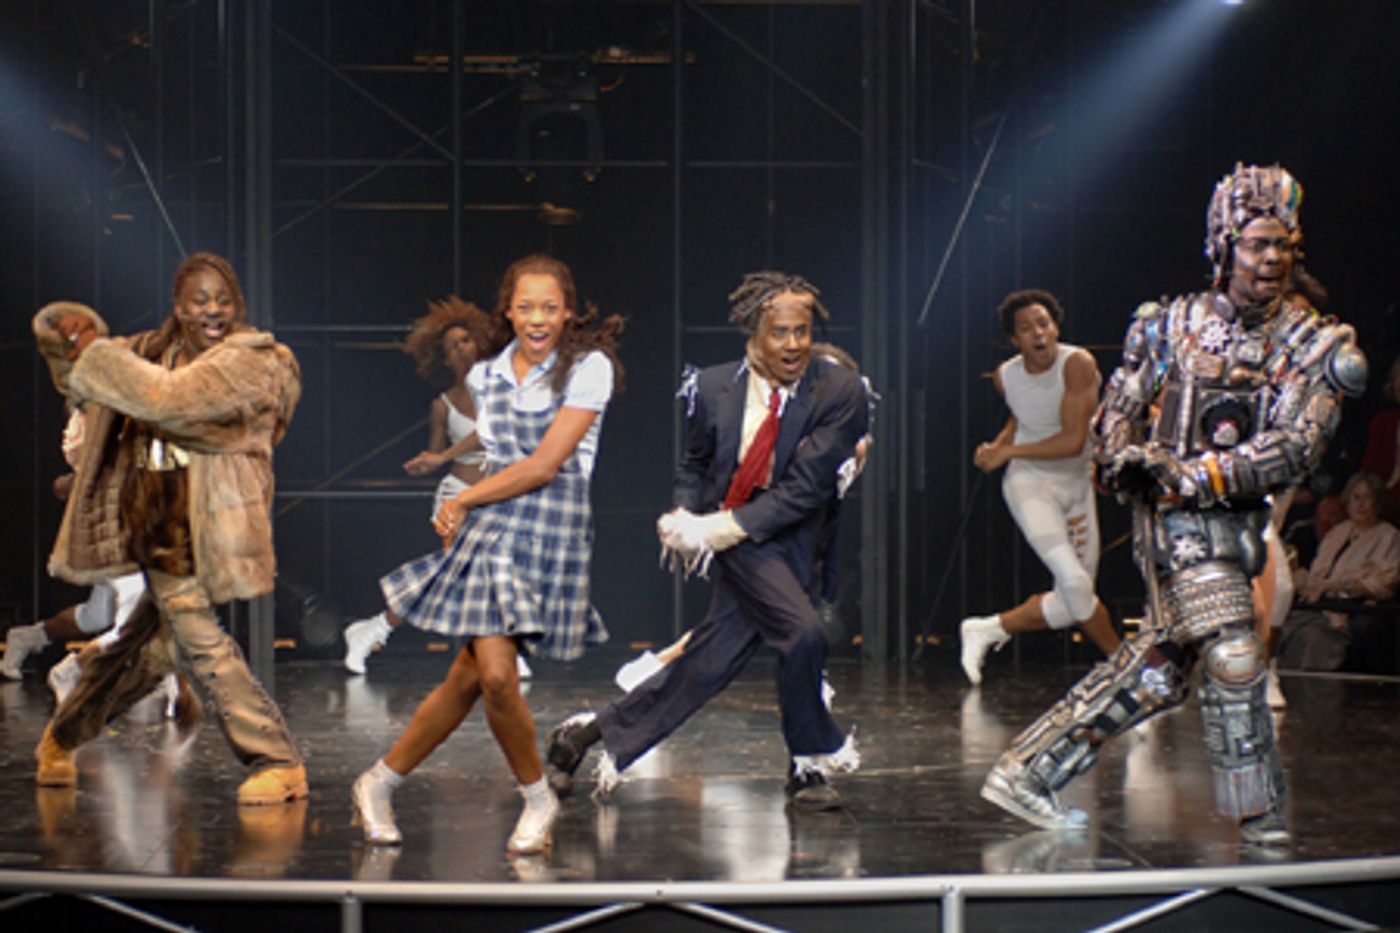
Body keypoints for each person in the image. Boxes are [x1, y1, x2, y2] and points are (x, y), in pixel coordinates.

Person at [980, 164, 1366, 847]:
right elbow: (1119, 407)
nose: (1272, 258)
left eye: (1282, 244)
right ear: (1224, 245)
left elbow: (1296, 447)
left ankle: (1028, 769)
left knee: (1159, 668)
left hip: (1231, 516)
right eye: (1257, 244)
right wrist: (1123, 457)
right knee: (1234, 654)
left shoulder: (1316, 346)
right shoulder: (1172, 324)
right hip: (1174, 524)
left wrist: (1193, 473)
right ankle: (1261, 820)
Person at [544, 271, 868, 810]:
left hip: (792, 540)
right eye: (781, 333)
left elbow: (803, 490)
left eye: (803, 331)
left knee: (709, 663)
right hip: (745, 547)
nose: (793, 345)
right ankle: (807, 766)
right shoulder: (715, 387)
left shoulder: (840, 390)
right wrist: (683, 514)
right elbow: (695, 464)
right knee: (805, 634)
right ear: (755, 332)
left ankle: (582, 736)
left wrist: (708, 531)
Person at [349, 254, 623, 855]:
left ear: (568, 312)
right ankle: (537, 798)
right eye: (526, 307)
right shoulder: (487, 376)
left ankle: (378, 782)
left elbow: (545, 465)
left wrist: (463, 498)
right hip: (494, 527)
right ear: (508, 311)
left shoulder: (590, 369)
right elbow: (494, 460)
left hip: (553, 528)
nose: (538, 318)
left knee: (467, 681)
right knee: (497, 675)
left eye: (550, 307)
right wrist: (460, 513)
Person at [31, 251, 308, 805]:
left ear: (238, 305)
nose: (213, 310)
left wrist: (97, 353)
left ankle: (276, 761)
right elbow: (83, 386)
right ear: (179, 308)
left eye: (223, 300)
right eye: (199, 301)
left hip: (212, 528)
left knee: (178, 644)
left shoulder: (255, 361)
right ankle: (62, 739)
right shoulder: (151, 352)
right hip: (153, 524)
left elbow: (170, 400)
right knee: (163, 643)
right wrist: (67, 335)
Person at [612, 341, 874, 698]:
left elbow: (828, 479)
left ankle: (656, 670)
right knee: (742, 623)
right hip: (760, 537)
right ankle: (655, 674)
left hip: (805, 540)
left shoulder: (846, 436)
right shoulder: (777, 420)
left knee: (741, 623)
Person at [341, 296, 515, 675]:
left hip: (495, 496)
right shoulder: (442, 405)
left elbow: (491, 434)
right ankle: (501, 653)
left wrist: (442, 456)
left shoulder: (499, 388)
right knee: (471, 572)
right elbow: (438, 455)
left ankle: (375, 628)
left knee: (464, 575)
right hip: (457, 495)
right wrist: (427, 463)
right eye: (452, 346)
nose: (461, 349)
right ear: (444, 359)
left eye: (466, 340)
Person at [959, 289, 1121, 685]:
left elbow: (1072, 441)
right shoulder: (1005, 376)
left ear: (1056, 328)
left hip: (1076, 483)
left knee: (1072, 603)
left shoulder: (1077, 364)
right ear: (1015, 339)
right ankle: (1125, 666)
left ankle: (987, 628)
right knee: (1075, 585)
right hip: (1030, 484)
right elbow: (1021, 416)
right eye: (1027, 328)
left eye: (1044, 324)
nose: (1038, 333)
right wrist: (997, 447)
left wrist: (1007, 450)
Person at [1276, 472, 1400, 671]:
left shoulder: (1390, 536)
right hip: (1317, 606)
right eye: (1355, 497)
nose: (1360, 504)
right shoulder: (1338, 531)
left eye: (1367, 498)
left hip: (1351, 612)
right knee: (1279, 628)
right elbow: (1317, 574)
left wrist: (1336, 585)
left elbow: (1383, 585)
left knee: (1312, 636)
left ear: (1378, 504)